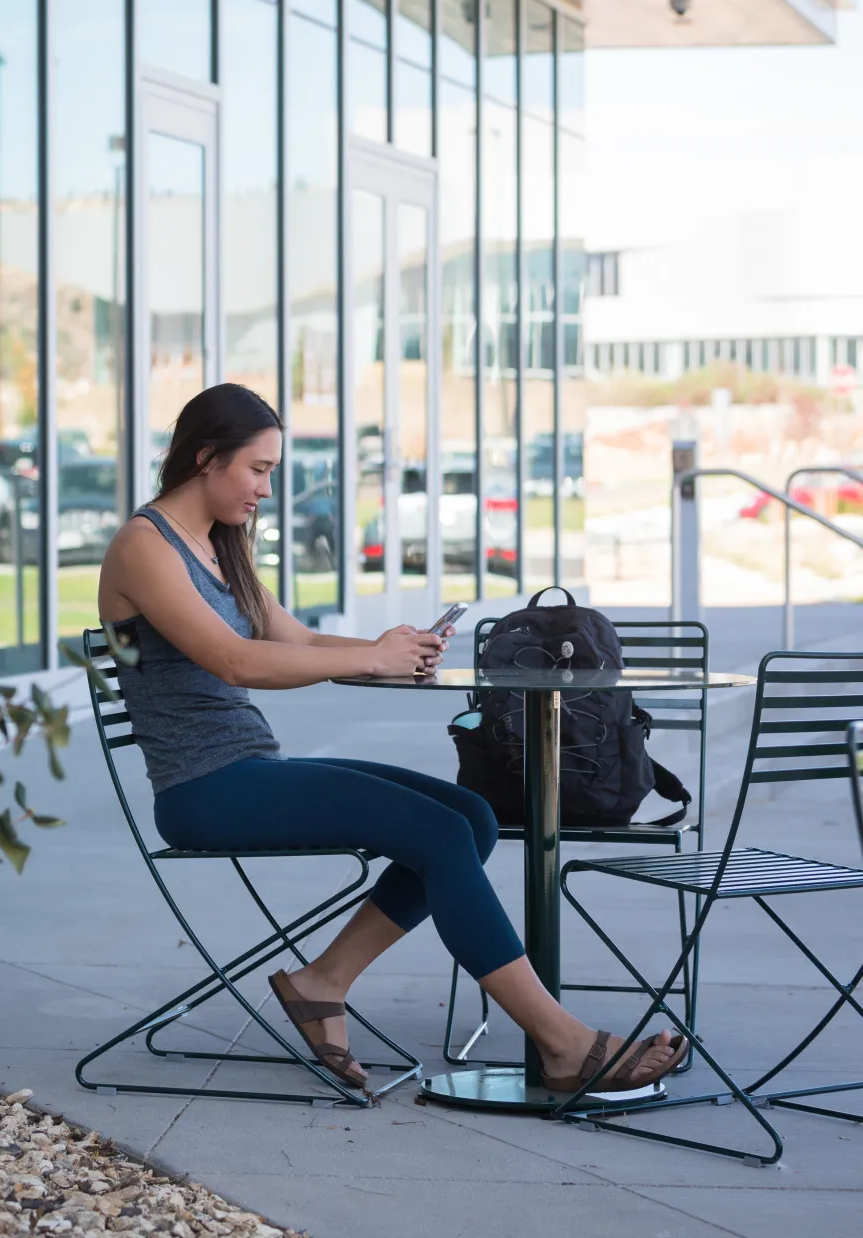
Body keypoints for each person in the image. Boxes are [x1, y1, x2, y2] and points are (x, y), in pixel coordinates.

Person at [98, 382, 687, 1094]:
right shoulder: (143, 545)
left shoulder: (221, 545)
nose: (266, 489)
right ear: (207, 456)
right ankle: (563, 1043)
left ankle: (323, 982)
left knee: (471, 817)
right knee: (438, 834)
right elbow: (235, 659)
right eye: (259, 470)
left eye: (272, 473)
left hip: (249, 767)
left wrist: (385, 646)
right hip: (203, 789)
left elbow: (300, 639)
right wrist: (371, 659)